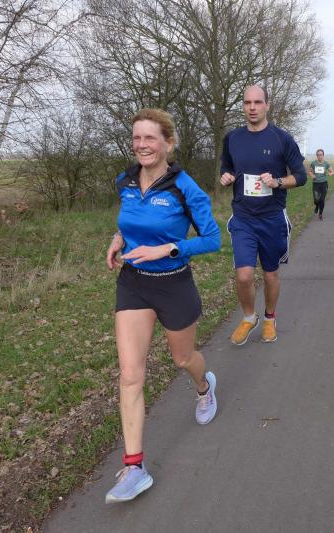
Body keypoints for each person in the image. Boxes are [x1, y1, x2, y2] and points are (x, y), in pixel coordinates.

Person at [104, 108, 222, 503]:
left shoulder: (186, 189)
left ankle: (204, 387)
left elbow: (212, 239)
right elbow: (129, 221)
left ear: (168, 143)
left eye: (149, 138)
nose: (141, 145)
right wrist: (118, 239)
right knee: (130, 375)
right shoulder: (125, 180)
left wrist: (168, 248)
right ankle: (134, 467)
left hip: (174, 285)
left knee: (183, 359)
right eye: (136, 138)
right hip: (134, 284)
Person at [220, 85, 307, 345]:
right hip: (243, 218)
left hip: (272, 218)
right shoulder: (232, 138)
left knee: (270, 274)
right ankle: (249, 318)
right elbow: (227, 167)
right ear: (243, 106)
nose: (252, 107)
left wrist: (278, 182)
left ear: (267, 105)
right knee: (244, 275)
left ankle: (269, 318)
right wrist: (226, 176)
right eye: (247, 103)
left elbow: (301, 176)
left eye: (258, 102)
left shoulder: (282, 139)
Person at [308, 148, 334, 219]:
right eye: (318, 155)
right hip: (316, 184)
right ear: (317, 156)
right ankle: (317, 205)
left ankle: (320, 213)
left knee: (322, 199)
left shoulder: (326, 163)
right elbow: (310, 171)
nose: (320, 156)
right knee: (316, 200)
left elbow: (332, 171)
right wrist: (312, 175)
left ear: (323, 155)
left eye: (321, 155)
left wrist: (330, 174)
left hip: (324, 183)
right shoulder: (313, 163)